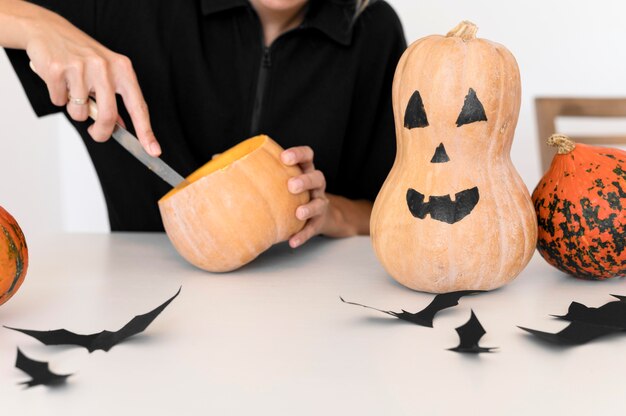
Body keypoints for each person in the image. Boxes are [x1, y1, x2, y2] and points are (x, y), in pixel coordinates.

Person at [0, 0, 406, 248]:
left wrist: (331, 213)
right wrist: (41, 28)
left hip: (316, 308)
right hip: (143, 306)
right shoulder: (130, 7)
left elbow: (395, 214)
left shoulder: (375, 31)